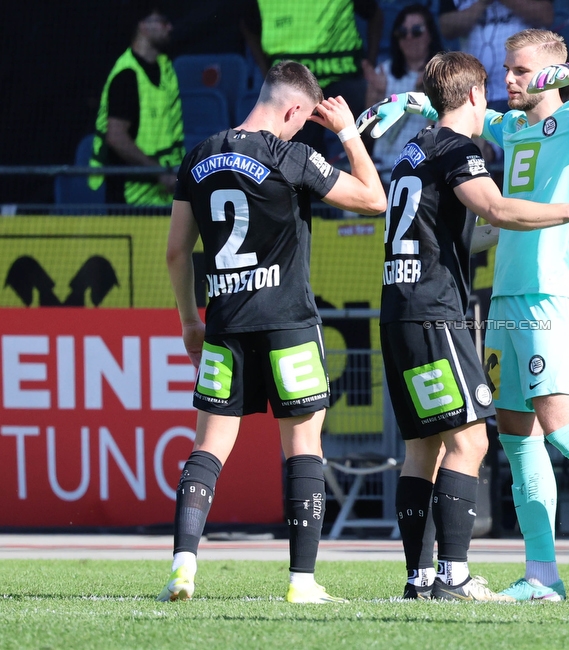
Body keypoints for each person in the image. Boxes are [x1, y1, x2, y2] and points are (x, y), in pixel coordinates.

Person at [359, 28, 569, 603]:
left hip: (554, 293)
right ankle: (541, 574)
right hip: (506, 293)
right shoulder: (509, 125)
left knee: (562, 423)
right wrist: (413, 102)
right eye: (505, 70)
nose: (508, 80)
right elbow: (461, 109)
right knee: (515, 432)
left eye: (521, 71)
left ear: (552, 74)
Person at [159, 61, 386, 604]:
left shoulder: (200, 155)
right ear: (293, 110)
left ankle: (183, 568)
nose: (301, 130)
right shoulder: (293, 156)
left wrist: (191, 321)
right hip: (288, 324)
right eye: (302, 121)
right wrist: (349, 134)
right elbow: (375, 200)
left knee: (207, 449)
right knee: (304, 446)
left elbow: (174, 252)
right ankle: (301, 581)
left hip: (225, 324)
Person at [242, 0, 383, 155]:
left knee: (365, 134)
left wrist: (371, 62)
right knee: (294, 154)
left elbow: (375, 14)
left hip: (344, 78)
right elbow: (248, 26)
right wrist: (265, 70)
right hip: (293, 85)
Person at [89, 5, 185, 206]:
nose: (169, 28)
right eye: (162, 22)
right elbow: (116, 137)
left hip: (164, 196)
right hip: (131, 199)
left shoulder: (166, 70)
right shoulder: (126, 76)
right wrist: (157, 171)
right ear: (143, 26)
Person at [362, 4, 443, 178]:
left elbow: (441, 130)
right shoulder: (384, 72)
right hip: (384, 169)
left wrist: (431, 92)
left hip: (423, 168)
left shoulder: (444, 74)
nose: (409, 38)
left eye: (416, 31)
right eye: (402, 32)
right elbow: (369, 132)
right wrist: (376, 96)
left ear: (430, 35)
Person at [439, 1, 555, 113]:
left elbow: (546, 15)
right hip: (474, 93)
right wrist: (481, 3)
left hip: (522, 90)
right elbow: (446, 27)